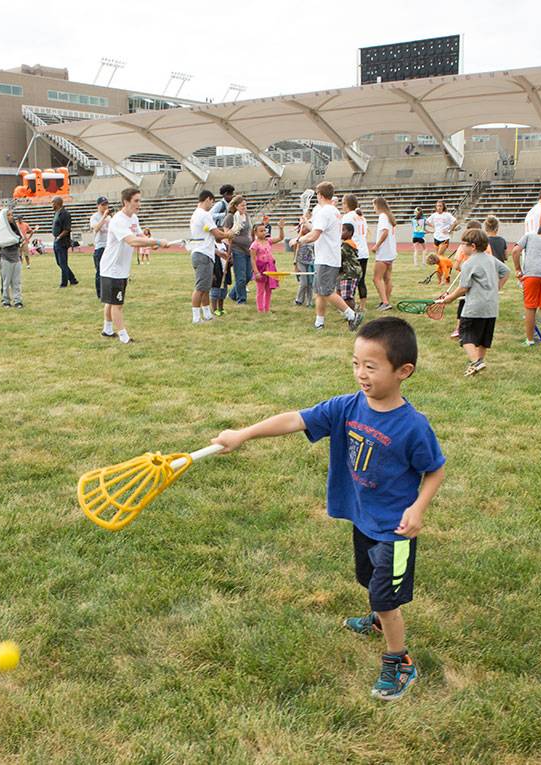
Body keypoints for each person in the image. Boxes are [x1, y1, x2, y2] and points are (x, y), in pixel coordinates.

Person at [211, 316, 446, 701]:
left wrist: (419, 508)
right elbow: (296, 418)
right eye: (355, 363)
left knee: (388, 599)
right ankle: (377, 618)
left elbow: (434, 470)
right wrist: (244, 433)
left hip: (395, 530)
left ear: (404, 371)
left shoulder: (413, 426)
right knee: (368, 582)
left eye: (371, 366)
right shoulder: (346, 407)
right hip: (363, 519)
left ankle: (399, 660)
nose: (360, 373)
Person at [290, 182, 364, 332]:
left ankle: (352, 315)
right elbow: (319, 230)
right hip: (328, 257)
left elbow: (314, 236)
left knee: (327, 291)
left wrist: (298, 240)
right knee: (320, 291)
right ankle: (319, 322)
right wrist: (307, 224)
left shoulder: (326, 211)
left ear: (320, 195)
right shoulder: (333, 211)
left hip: (327, 258)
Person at [436, 229, 511, 376]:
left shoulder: (468, 263)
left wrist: (449, 298)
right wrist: (496, 287)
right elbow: (506, 271)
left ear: (473, 246)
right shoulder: (491, 259)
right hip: (491, 306)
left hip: (475, 306)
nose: (461, 247)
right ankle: (477, 364)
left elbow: (464, 287)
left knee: (465, 334)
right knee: (483, 338)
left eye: (463, 244)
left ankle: (477, 361)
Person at [100, 187, 168, 343]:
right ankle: (124, 337)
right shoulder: (118, 220)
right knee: (117, 304)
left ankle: (107, 330)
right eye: (136, 201)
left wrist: (151, 243)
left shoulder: (134, 218)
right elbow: (131, 241)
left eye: (140, 200)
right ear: (126, 202)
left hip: (121, 268)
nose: (139, 204)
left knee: (111, 301)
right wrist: (155, 241)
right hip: (112, 268)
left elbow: (139, 235)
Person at [510, 223, 541, 349]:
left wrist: (518, 269)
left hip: (532, 274)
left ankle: (530, 340)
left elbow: (515, 251)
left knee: (530, 307)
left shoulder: (529, 236)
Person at [189, 190, 234, 324]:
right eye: (212, 202)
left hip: (202, 252)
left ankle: (207, 313)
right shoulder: (204, 215)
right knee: (200, 287)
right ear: (208, 199)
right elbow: (217, 234)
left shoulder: (196, 214)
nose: (212, 205)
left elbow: (205, 236)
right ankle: (196, 317)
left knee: (206, 286)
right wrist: (228, 234)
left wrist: (217, 252)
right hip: (203, 254)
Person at [223, 195, 254, 305]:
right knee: (240, 276)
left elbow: (250, 231)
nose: (244, 207)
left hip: (248, 249)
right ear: (235, 206)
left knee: (249, 276)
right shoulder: (230, 217)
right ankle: (242, 299)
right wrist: (228, 250)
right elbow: (226, 235)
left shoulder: (247, 216)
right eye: (242, 205)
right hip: (237, 250)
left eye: (245, 205)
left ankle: (232, 294)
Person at [369, 197, 398, 310]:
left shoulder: (382, 216)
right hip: (390, 252)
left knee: (376, 278)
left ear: (378, 205)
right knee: (387, 278)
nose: (374, 209)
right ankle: (385, 301)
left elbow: (385, 232)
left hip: (384, 252)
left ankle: (385, 302)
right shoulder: (389, 216)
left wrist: (377, 245)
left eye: (374, 206)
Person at [251, 221, 285, 313]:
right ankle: (260, 309)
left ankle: (267, 308)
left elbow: (281, 238)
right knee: (260, 290)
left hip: (270, 268)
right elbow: (253, 260)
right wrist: (256, 272)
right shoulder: (254, 245)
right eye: (261, 231)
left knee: (269, 289)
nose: (263, 232)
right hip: (260, 269)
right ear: (256, 233)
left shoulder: (268, 241)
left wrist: (281, 228)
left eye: (264, 230)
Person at [341, 195, 370, 302]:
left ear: (347, 204)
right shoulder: (361, 217)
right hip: (364, 250)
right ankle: (362, 305)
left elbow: (343, 233)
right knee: (361, 280)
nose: (342, 206)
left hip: (352, 250)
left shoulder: (347, 217)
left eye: (343, 203)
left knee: (350, 279)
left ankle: (349, 304)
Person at [0, 206, 23, 308]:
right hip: (6, 257)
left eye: (12, 214)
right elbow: (0, 242)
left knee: (17, 281)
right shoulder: (0, 230)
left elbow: (20, 239)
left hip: (16, 256)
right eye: (9, 215)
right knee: (6, 281)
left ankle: (17, 300)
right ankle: (5, 301)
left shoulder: (15, 228)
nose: (11, 217)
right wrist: (15, 240)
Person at [51, 195, 78, 288]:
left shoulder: (65, 214)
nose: (52, 205)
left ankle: (64, 283)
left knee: (63, 263)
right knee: (59, 262)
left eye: (53, 203)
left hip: (62, 241)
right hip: (56, 240)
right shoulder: (56, 213)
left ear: (57, 203)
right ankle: (73, 279)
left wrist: (59, 237)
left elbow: (67, 229)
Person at [89, 196, 112, 298]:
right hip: (100, 247)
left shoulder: (110, 218)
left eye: (106, 204)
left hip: (109, 246)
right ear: (98, 206)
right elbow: (96, 228)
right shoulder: (94, 217)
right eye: (103, 205)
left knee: (110, 270)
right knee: (100, 271)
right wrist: (104, 217)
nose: (105, 206)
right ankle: (100, 293)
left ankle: (109, 291)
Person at [338, 223, 363, 312]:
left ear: (350, 232)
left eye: (343, 230)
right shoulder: (349, 243)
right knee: (347, 295)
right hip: (353, 272)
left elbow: (339, 257)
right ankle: (351, 312)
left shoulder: (346, 245)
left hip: (349, 273)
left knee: (347, 297)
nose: (340, 232)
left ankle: (352, 315)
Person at [293, 221, 315, 308]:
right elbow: (296, 251)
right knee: (304, 283)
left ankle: (309, 301)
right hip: (300, 262)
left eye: (307, 227)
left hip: (310, 263)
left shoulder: (313, 238)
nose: (306, 229)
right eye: (304, 227)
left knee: (310, 283)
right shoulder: (299, 239)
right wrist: (295, 265)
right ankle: (299, 299)